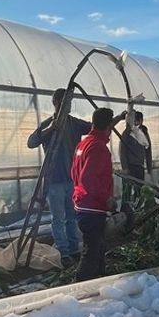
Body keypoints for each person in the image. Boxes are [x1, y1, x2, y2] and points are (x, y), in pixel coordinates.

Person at [27, 88, 90, 263]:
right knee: (58, 219)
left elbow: (95, 127)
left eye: (69, 102)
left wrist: (118, 118)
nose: (68, 106)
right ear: (56, 103)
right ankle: (63, 252)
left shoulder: (74, 123)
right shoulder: (48, 124)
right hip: (54, 180)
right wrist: (50, 130)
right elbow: (31, 142)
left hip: (71, 179)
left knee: (71, 216)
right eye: (65, 102)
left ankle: (73, 248)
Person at [72, 108, 122, 281]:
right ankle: (77, 289)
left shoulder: (83, 144)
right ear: (109, 126)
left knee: (99, 248)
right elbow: (89, 179)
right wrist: (107, 199)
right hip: (92, 208)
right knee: (91, 253)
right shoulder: (99, 148)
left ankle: (100, 282)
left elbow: (75, 174)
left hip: (82, 204)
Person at [119, 110, 153, 207]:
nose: (136, 123)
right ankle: (125, 211)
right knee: (127, 193)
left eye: (138, 121)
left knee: (140, 192)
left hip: (139, 167)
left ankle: (138, 212)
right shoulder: (127, 133)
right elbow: (122, 152)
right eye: (134, 121)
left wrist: (149, 168)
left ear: (141, 121)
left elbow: (148, 151)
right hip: (129, 168)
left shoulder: (144, 133)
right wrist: (125, 168)